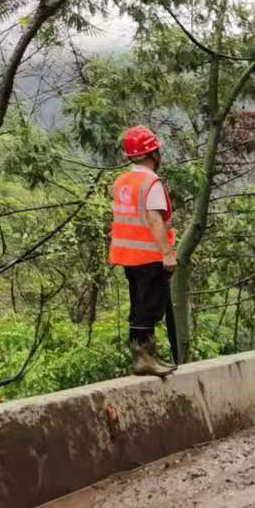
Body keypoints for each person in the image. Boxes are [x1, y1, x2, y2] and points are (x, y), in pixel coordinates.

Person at [109, 125, 179, 376]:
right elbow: (153, 219)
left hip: (128, 255)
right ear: (154, 153)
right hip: (148, 255)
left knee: (139, 304)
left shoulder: (121, 182)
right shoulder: (151, 182)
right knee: (149, 307)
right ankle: (143, 357)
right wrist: (167, 253)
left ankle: (146, 356)